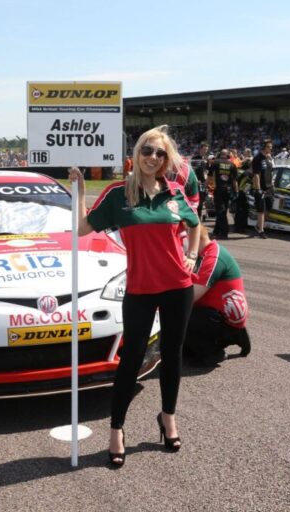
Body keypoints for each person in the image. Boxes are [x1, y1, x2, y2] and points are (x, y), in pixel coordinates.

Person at [68, 125, 201, 468]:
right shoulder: (118, 194)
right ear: (137, 153)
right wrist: (79, 191)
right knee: (132, 360)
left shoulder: (174, 192)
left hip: (178, 286)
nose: (153, 158)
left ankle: (168, 418)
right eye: (147, 151)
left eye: (160, 153)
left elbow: (195, 224)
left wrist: (193, 255)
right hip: (140, 289)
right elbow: (82, 228)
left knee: (173, 356)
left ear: (166, 159)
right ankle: (116, 430)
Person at [184, 229, 250, 365]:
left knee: (178, 314)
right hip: (218, 311)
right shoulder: (206, 253)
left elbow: (191, 297)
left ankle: (214, 352)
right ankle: (227, 335)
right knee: (185, 351)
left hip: (222, 317)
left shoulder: (213, 257)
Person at [209, 149, 239, 239]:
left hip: (219, 190)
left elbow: (210, 177)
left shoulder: (215, 163)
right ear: (227, 155)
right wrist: (236, 191)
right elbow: (234, 180)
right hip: (228, 190)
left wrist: (205, 186)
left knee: (220, 211)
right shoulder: (232, 164)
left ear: (220, 154)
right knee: (223, 210)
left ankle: (224, 232)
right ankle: (217, 230)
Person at [251, 139, 274, 238]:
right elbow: (256, 175)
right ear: (264, 147)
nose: (271, 148)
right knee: (261, 209)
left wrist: (272, 184)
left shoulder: (269, 158)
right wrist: (258, 189)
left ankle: (258, 225)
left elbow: (271, 172)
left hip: (270, 187)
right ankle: (261, 230)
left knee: (269, 208)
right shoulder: (257, 159)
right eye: (269, 147)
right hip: (261, 188)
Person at [188, 141, 209, 219]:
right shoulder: (195, 158)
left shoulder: (206, 159)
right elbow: (193, 171)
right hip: (197, 182)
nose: (205, 151)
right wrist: (196, 180)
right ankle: (197, 218)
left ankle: (200, 217)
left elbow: (207, 170)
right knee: (198, 201)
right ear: (200, 149)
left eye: (206, 149)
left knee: (203, 200)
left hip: (205, 182)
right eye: (204, 149)